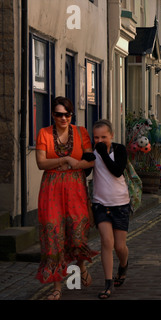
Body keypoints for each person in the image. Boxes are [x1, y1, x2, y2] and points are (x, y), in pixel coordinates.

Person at [35, 96, 97, 300]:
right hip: (51, 190)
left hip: (75, 189)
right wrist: (64, 159)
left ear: (72, 114)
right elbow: (41, 163)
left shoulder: (81, 133)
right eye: (59, 114)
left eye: (67, 114)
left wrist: (74, 165)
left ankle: (80, 267)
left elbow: (90, 161)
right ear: (53, 115)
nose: (63, 118)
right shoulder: (44, 133)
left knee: (77, 234)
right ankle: (57, 287)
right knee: (53, 237)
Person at [90, 119, 131, 299]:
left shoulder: (119, 149)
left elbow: (117, 171)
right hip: (100, 203)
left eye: (104, 137)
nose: (100, 141)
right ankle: (107, 284)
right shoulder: (92, 152)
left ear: (111, 136)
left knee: (120, 246)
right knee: (107, 242)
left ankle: (123, 265)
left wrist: (103, 154)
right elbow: (84, 171)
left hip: (120, 204)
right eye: (96, 137)